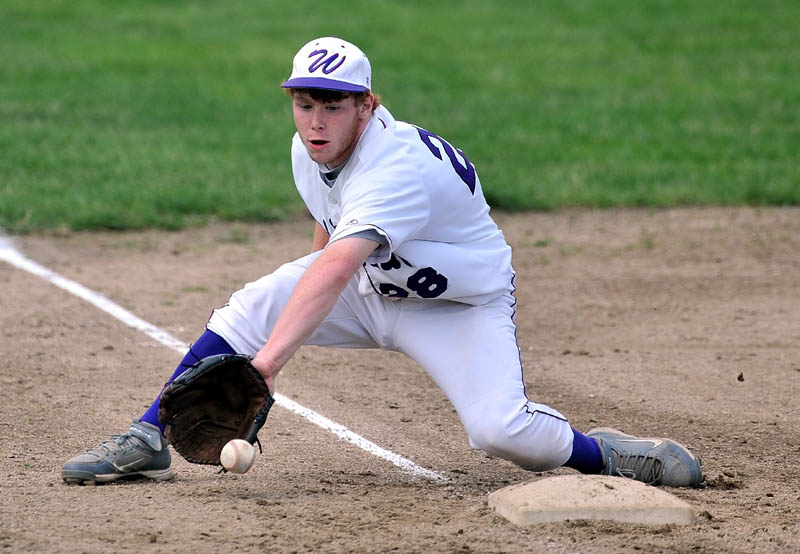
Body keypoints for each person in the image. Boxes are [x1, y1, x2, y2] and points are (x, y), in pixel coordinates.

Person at [61, 37, 702, 487]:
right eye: (304, 102)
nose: (316, 119)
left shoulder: (396, 168)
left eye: (333, 104)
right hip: (372, 286)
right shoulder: (306, 147)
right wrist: (289, 318)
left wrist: (263, 371)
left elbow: (338, 264)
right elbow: (328, 229)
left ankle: (608, 455)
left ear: (367, 105)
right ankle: (147, 437)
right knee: (254, 304)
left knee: (502, 434)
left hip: (455, 307)